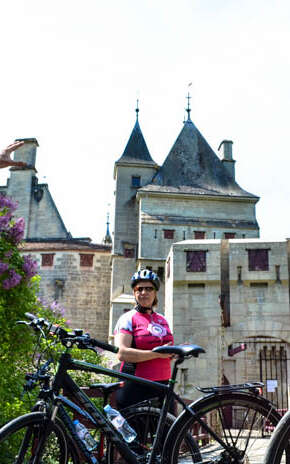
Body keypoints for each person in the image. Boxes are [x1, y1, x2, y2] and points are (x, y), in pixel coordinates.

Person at [114, 269, 174, 410]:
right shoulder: (128, 318)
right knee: (136, 432)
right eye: (139, 289)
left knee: (169, 431)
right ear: (134, 292)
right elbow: (122, 353)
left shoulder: (162, 319)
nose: (144, 292)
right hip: (135, 386)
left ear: (155, 292)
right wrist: (156, 354)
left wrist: (175, 352)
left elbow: (167, 354)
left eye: (149, 288)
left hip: (163, 385)